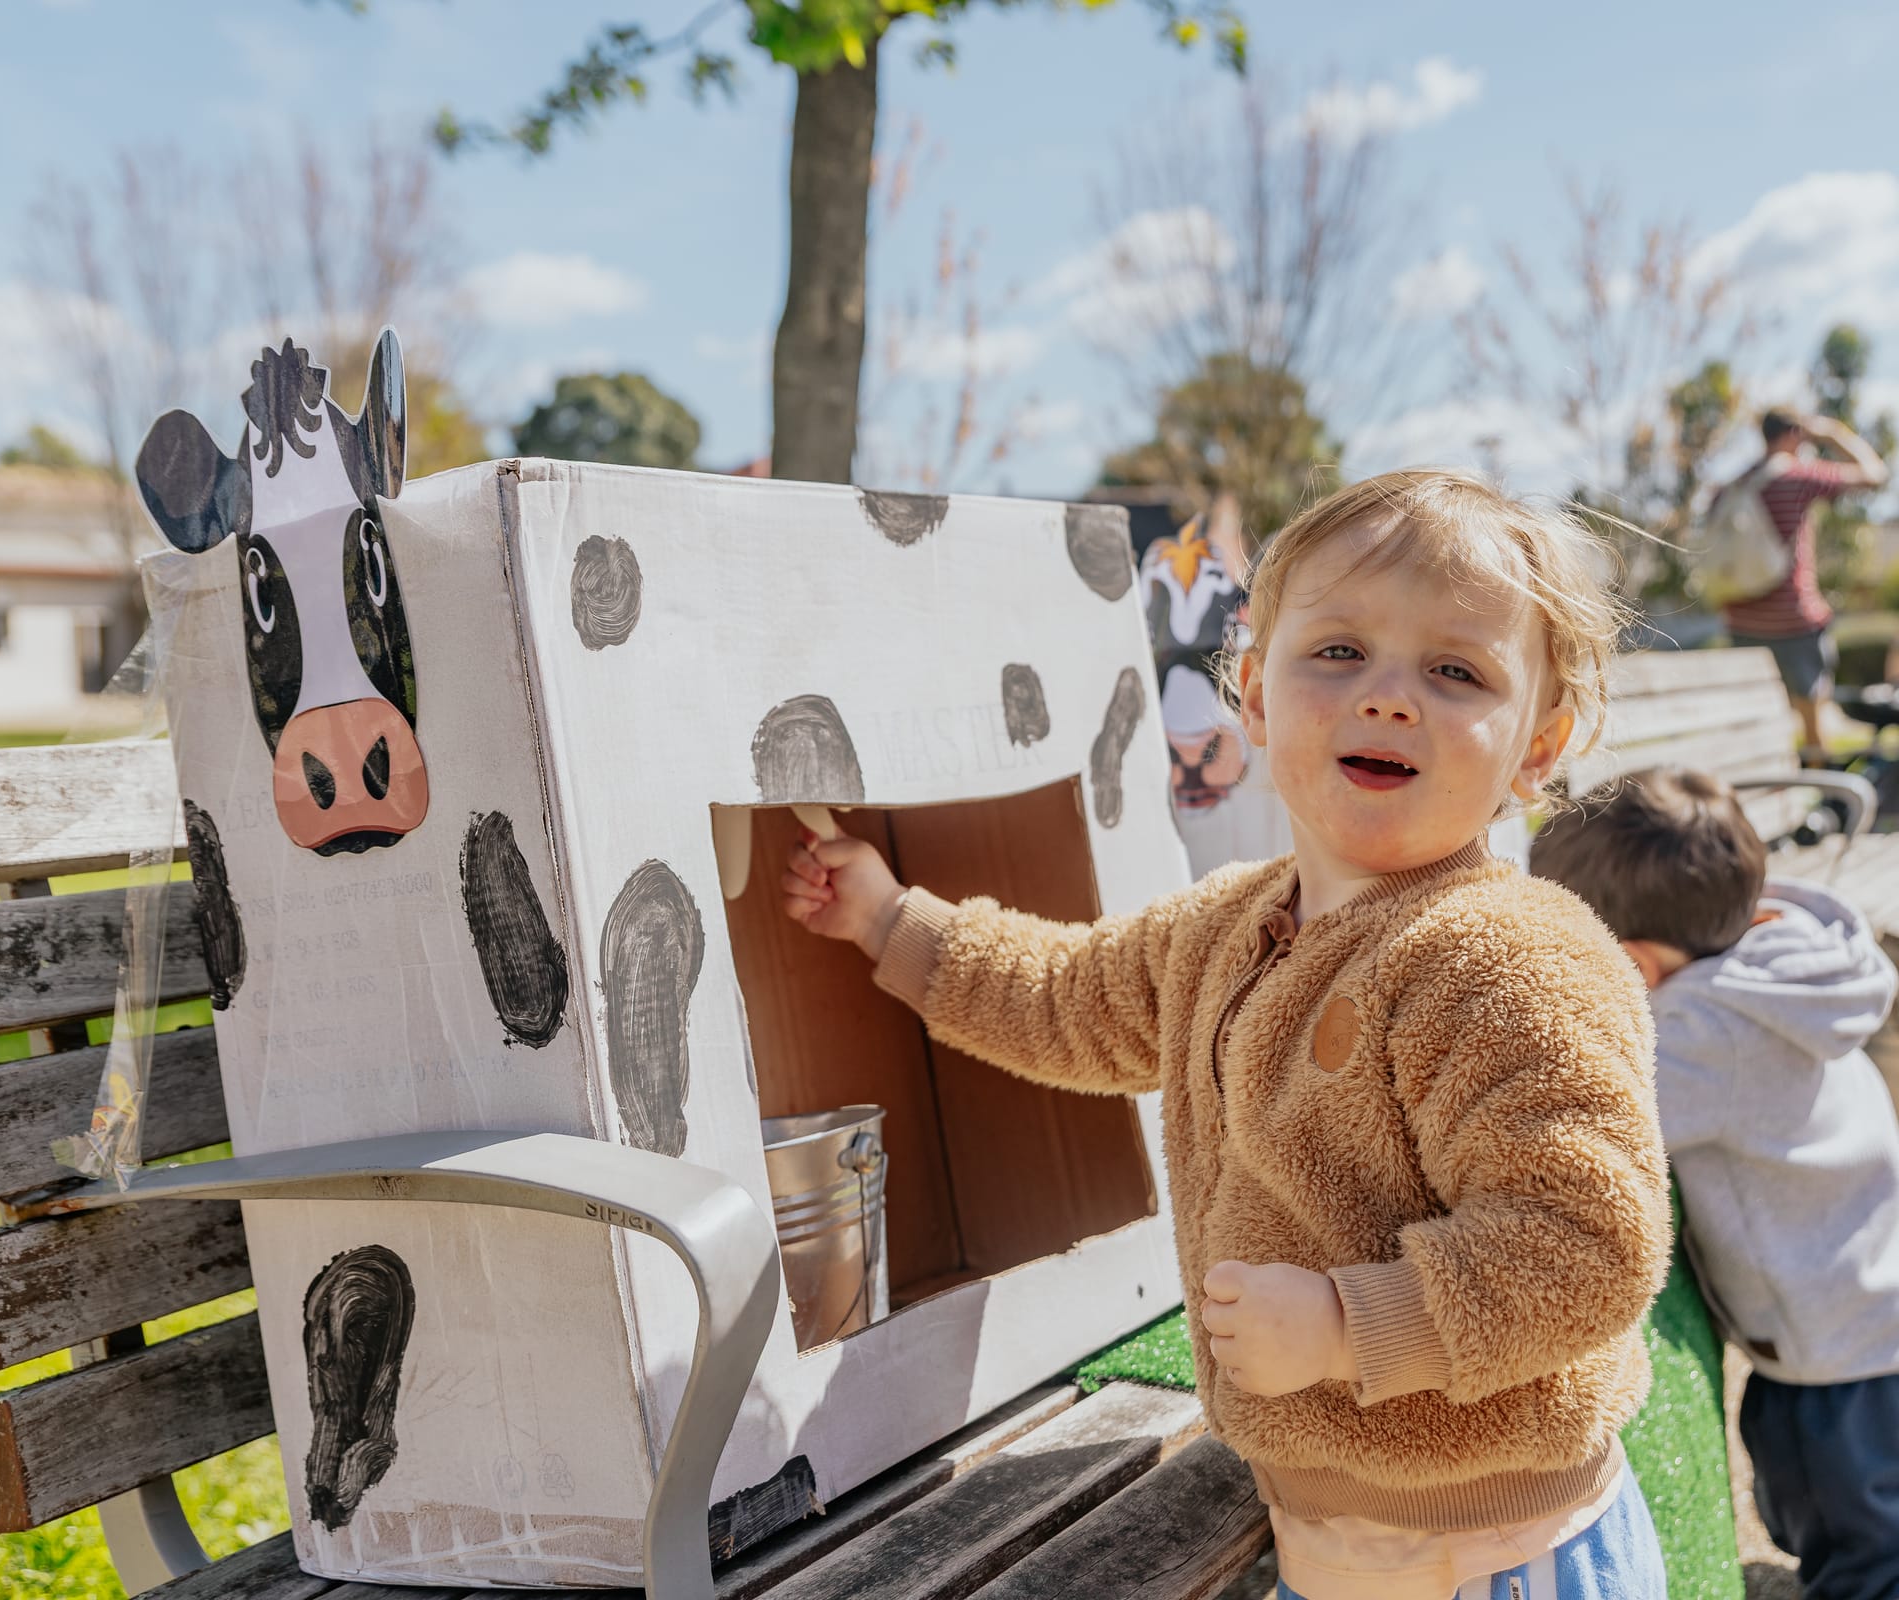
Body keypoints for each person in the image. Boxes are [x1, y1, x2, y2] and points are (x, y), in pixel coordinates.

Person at [780, 469, 1671, 1599]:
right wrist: (886, 918)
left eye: (1454, 671)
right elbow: (1061, 996)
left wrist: (1352, 1323)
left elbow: (1584, 1244)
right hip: (1327, 1536)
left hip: (1503, 1549)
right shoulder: (1222, 927)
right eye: (1337, 652)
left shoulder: (1505, 953)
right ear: (1251, 693)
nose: (1388, 695)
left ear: (1537, 748)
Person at [1530, 767, 1899, 1600]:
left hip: (1831, 1345)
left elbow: (1595, 1117)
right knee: (1829, 1502)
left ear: (1629, 964)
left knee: (1862, 1543)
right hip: (1862, 1301)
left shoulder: (1706, 1036)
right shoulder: (1778, 949)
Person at [1718, 409, 1889, 765]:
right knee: (1814, 720)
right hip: (1794, 621)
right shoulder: (1796, 476)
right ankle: (1821, 795)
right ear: (1795, 433)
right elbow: (1876, 475)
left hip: (1740, 620)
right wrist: (1832, 433)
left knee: (1759, 719)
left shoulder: (1733, 485)